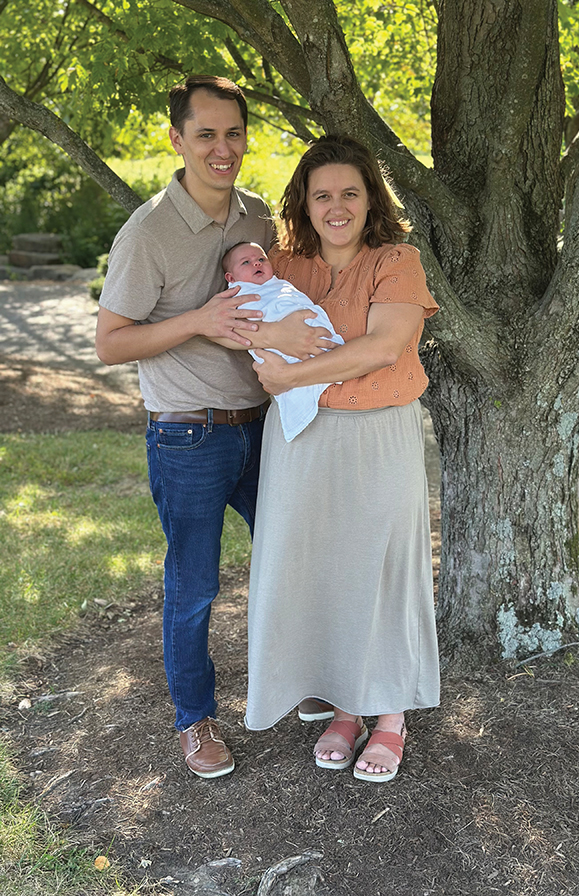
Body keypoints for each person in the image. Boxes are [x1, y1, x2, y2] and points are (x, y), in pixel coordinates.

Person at [95, 75, 332, 779]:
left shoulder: (257, 218)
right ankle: (195, 722)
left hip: (263, 427)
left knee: (294, 558)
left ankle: (308, 680)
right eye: (205, 135)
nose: (221, 149)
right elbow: (110, 342)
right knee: (195, 585)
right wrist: (198, 319)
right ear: (177, 139)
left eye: (233, 133)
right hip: (187, 434)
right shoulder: (148, 233)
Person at [244, 135, 441, 783]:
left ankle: (390, 718)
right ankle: (346, 708)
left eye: (349, 193)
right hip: (302, 440)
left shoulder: (396, 260)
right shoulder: (284, 263)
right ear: (304, 201)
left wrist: (290, 374)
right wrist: (270, 343)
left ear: (369, 199)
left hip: (379, 435)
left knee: (379, 566)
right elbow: (241, 324)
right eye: (322, 194)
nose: (336, 206)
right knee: (324, 568)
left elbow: (383, 347)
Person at [218, 241, 344, 441]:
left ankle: (326, 362)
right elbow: (228, 327)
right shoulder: (238, 295)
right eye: (246, 262)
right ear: (231, 278)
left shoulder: (280, 285)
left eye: (261, 259)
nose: (256, 264)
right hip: (281, 347)